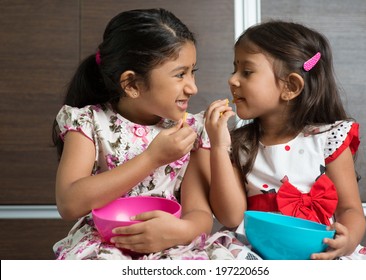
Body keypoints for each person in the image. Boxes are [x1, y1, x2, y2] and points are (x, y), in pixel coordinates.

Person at [51, 8, 255, 260]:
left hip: (173, 243)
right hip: (105, 244)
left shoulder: (190, 130)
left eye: (193, 71)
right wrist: (152, 158)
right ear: (133, 84)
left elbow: (200, 214)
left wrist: (180, 230)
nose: (192, 87)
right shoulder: (88, 122)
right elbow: (69, 203)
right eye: (180, 74)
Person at [205, 20, 366, 260]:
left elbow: (349, 208)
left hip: (317, 248)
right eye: (234, 69)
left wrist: (347, 241)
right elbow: (231, 217)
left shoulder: (328, 138)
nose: (232, 80)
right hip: (254, 249)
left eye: (246, 71)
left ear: (291, 86)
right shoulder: (237, 144)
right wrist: (219, 148)